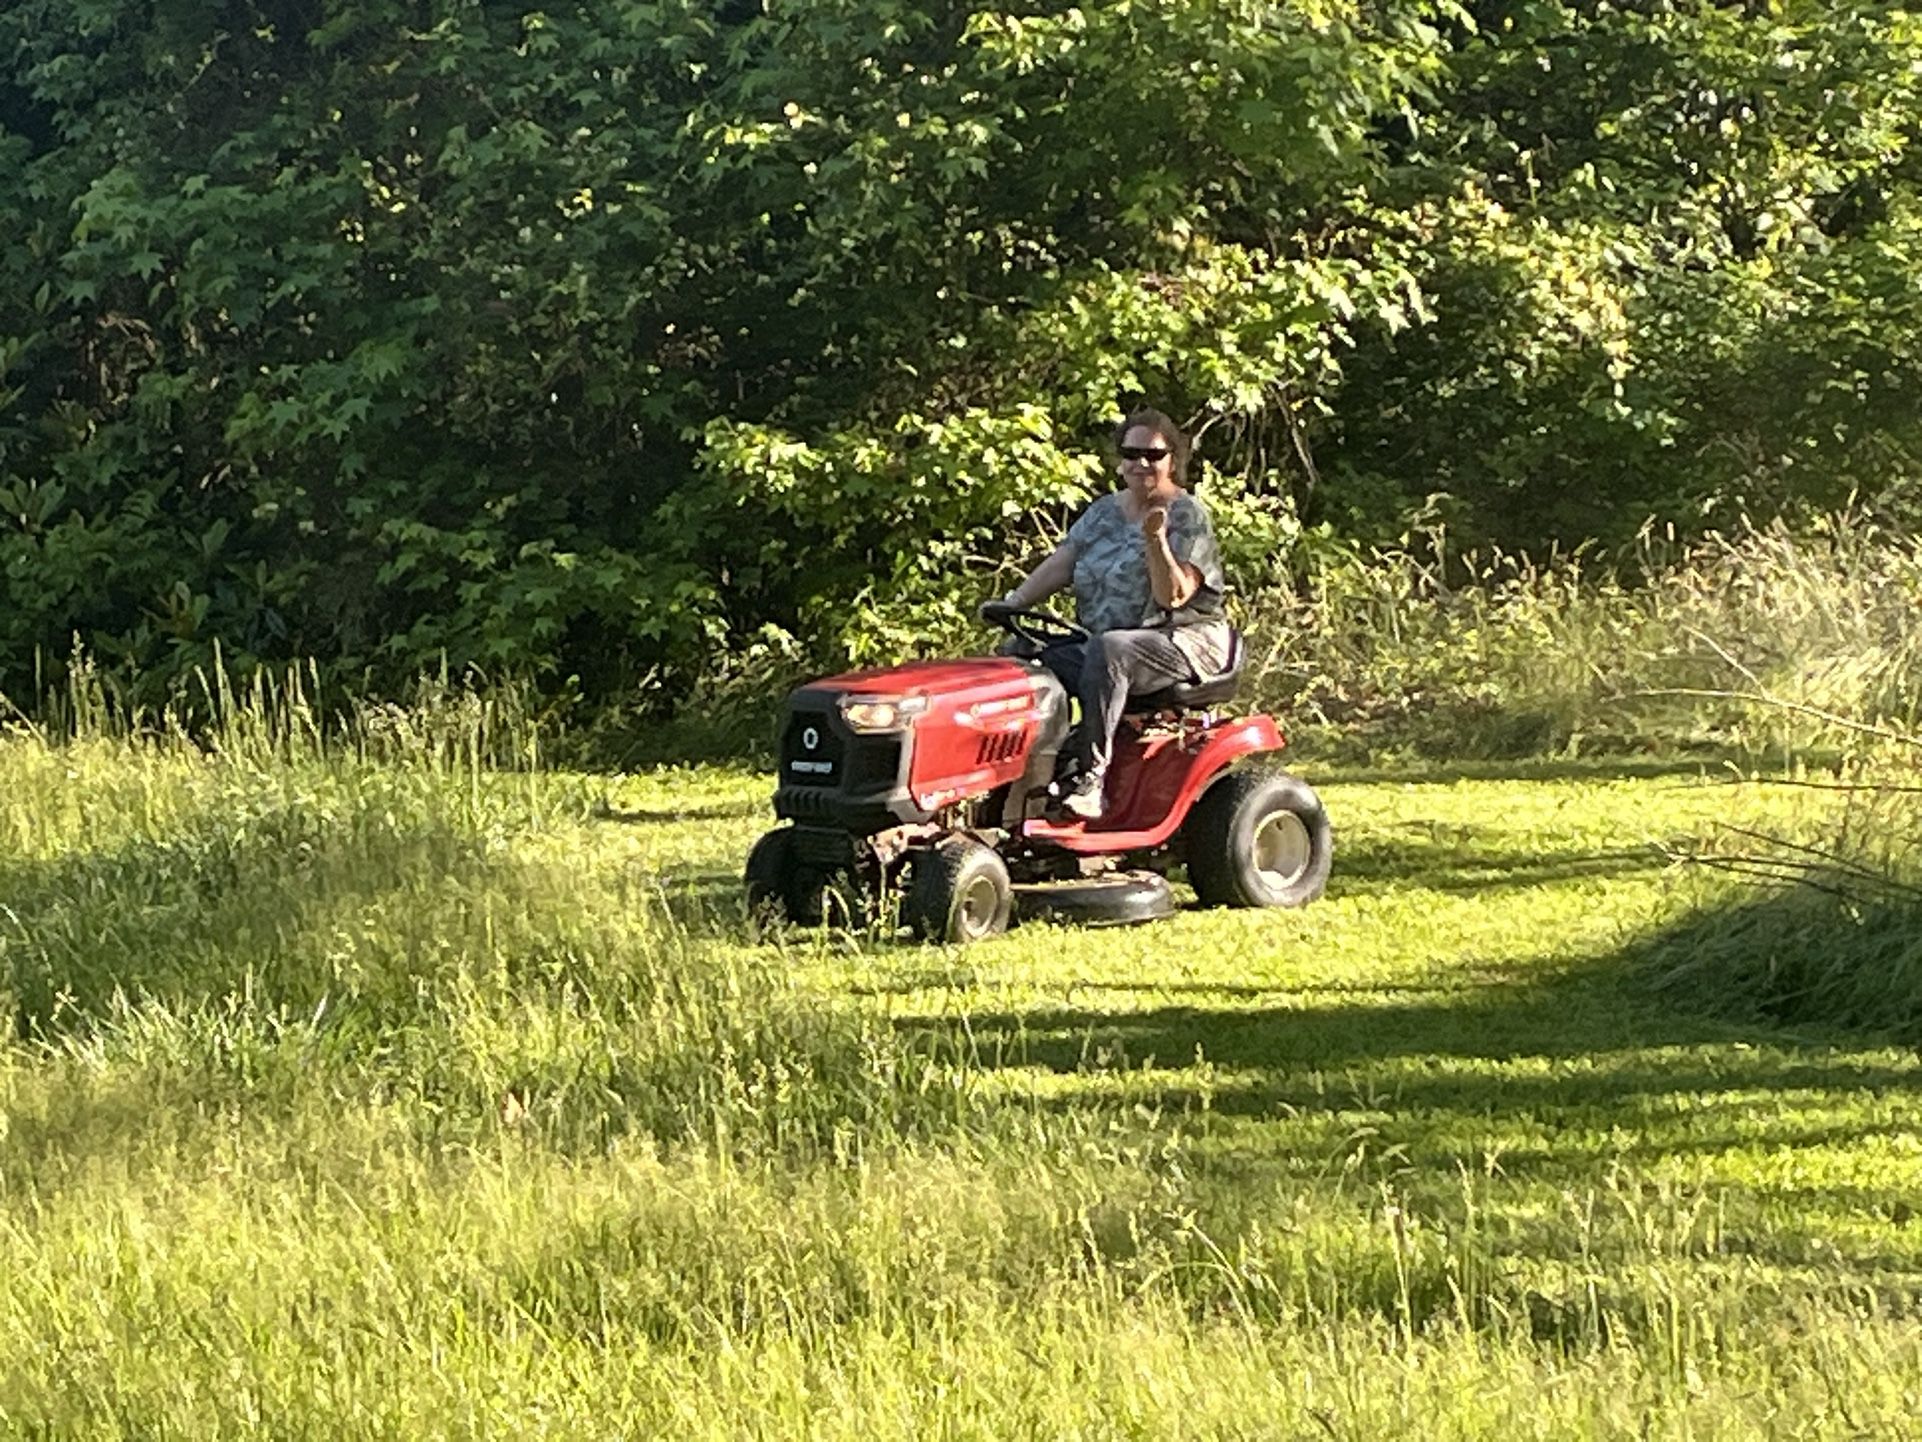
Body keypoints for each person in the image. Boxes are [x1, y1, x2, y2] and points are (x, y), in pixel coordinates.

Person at [981, 407, 1232, 820]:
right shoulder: (1102, 512)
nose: (1142, 464)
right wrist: (1014, 602)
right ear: (1119, 459)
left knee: (1111, 649)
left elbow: (1174, 596)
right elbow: (1065, 561)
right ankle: (1023, 775)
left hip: (1180, 642)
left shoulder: (1186, 514)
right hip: (1107, 639)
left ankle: (1090, 780)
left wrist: (1156, 541)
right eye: (1132, 454)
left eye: (1154, 455)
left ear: (1173, 459)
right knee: (1023, 652)